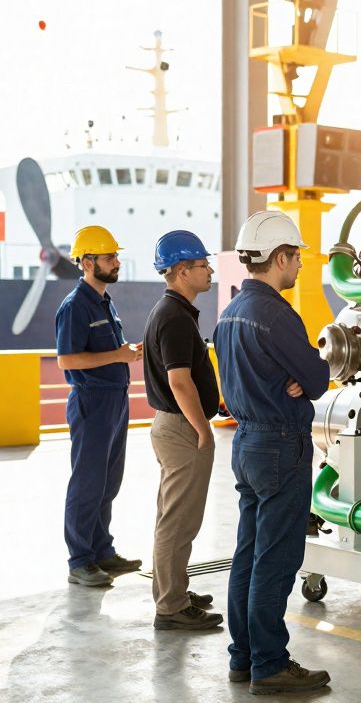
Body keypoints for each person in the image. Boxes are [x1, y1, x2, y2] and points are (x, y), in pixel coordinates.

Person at [214, 211, 331, 694]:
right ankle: (270, 665)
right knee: (277, 558)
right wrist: (302, 380)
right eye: (297, 255)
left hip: (246, 442)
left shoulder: (231, 312)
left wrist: (292, 382)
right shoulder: (277, 315)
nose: (301, 264)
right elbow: (320, 380)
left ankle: (242, 657)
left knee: (247, 554)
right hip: (281, 444)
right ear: (279, 257)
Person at [143, 231, 223, 630]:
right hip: (181, 429)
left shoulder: (172, 310)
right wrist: (203, 430)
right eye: (202, 265)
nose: (209, 271)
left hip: (172, 425)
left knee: (171, 517)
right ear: (180, 271)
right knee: (179, 521)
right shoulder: (174, 316)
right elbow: (179, 381)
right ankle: (171, 607)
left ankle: (172, 590)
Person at [56, 225, 143, 587]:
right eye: (110, 258)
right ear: (88, 262)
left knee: (109, 481)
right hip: (92, 401)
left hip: (115, 399)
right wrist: (118, 355)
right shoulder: (75, 305)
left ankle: (102, 551)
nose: (116, 262)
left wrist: (124, 355)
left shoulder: (105, 301)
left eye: (115, 256)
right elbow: (67, 360)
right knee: (88, 482)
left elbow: (108, 353)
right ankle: (80, 560)